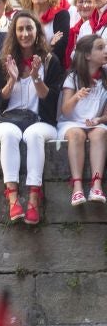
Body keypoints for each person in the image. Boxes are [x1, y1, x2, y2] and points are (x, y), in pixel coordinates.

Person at [0, 11, 63, 225]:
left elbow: (51, 103)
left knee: (33, 135)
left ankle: (33, 198)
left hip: (40, 120)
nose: (25, 33)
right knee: (10, 134)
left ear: (37, 31)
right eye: (20, 29)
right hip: (8, 120)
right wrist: (12, 81)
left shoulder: (50, 61)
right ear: (14, 33)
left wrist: (36, 78)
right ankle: (13, 198)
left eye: (29, 28)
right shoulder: (5, 62)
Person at [57, 34, 107, 205]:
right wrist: (76, 97)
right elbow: (65, 110)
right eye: (100, 48)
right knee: (77, 135)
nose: (105, 51)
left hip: (94, 123)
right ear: (87, 55)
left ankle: (97, 184)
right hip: (71, 123)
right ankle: (77, 187)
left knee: (99, 134)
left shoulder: (105, 79)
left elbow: (106, 115)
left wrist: (98, 119)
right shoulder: (73, 77)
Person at [19, 0, 70, 67]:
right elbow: (18, 50)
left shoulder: (61, 16)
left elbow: (58, 53)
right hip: (24, 72)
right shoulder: (21, 17)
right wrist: (50, 45)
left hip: (51, 75)